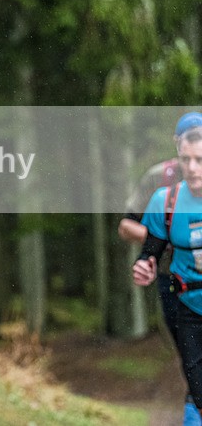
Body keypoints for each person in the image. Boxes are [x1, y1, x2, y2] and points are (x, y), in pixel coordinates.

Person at [121, 112, 202, 426]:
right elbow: (127, 225)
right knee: (191, 356)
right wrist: (158, 241)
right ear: (176, 142)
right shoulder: (159, 180)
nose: (193, 167)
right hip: (174, 283)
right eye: (187, 158)